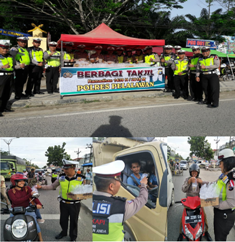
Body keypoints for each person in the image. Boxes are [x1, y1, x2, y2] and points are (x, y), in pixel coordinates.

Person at [92, 160, 148, 241]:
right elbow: (143, 198)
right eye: (118, 179)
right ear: (111, 186)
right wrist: (143, 185)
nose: (120, 182)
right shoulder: (121, 206)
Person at [37, 160, 86, 241]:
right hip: (63, 203)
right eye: (64, 168)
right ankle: (63, 232)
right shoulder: (61, 177)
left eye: (67, 169)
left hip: (75, 204)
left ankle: (73, 237)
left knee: (74, 221)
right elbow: (52, 186)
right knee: (63, 220)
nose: (64, 170)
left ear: (73, 168)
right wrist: (41, 187)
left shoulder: (81, 178)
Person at [177, 163, 212, 241]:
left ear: (198, 172)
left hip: (197, 202)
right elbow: (183, 189)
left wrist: (201, 182)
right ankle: (181, 233)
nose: (194, 173)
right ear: (190, 172)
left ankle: (206, 231)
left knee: (204, 215)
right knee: (184, 216)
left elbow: (206, 188)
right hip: (189, 202)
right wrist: (189, 182)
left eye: (195, 172)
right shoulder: (187, 179)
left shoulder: (199, 179)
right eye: (192, 172)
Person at [8, 174, 43, 241]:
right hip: (15, 210)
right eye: (20, 181)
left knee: (34, 223)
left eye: (23, 181)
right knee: (10, 224)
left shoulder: (27, 188)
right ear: (14, 182)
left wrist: (39, 203)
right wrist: (29, 195)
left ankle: (41, 239)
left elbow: (33, 196)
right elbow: (16, 201)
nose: (23, 182)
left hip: (27, 209)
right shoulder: (10, 191)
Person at [213, 149, 235, 241]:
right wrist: (202, 183)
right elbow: (215, 184)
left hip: (225, 216)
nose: (219, 165)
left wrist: (215, 203)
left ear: (227, 162)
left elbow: (231, 203)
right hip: (220, 213)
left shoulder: (232, 179)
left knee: (220, 239)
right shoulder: (224, 175)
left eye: (221, 163)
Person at [0, 40, 14, 116]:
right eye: (3, 48)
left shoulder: (9, 56)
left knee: (7, 93)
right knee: (0, 94)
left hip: (9, 76)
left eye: (6, 48)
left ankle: (3, 107)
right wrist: (1, 67)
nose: (5, 49)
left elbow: (12, 65)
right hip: (1, 76)